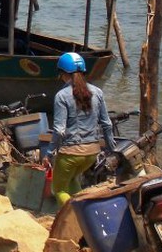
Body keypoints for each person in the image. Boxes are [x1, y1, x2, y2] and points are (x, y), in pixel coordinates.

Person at [43, 51, 117, 207]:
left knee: (58, 189)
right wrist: (111, 149)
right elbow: (107, 124)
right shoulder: (97, 92)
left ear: (62, 74)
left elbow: (59, 130)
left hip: (70, 154)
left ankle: (73, 221)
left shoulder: (62, 96)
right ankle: (83, 216)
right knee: (71, 181)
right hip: (91, 153)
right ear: (84, 72)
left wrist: (49, 154)